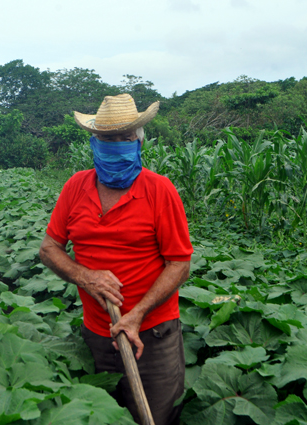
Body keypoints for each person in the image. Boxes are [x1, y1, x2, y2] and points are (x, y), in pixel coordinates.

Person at [39, 94, 192, 425]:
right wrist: (86, 277)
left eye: (125, 138)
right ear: (95, 142)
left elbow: (179, 264)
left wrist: (136, 315)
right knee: (105, 415)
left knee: (156, 414)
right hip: (97, 332)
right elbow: (49, 248)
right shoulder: (75, 187)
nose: (118, 145)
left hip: (152, 334)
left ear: (138, 142)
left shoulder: (159, 190)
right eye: (109, 139)